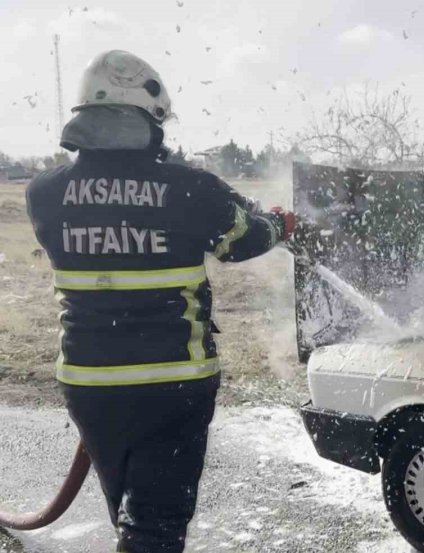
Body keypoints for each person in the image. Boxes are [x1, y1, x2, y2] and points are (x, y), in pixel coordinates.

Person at [25, 50, 300, 553]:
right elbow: (244, 240)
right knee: (154, 528)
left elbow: (114, 204)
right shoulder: (189, 188)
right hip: (172, 385)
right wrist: (279, 224)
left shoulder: (43, 193)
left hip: (90, 385)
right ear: (149, 119)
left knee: (131, 516)